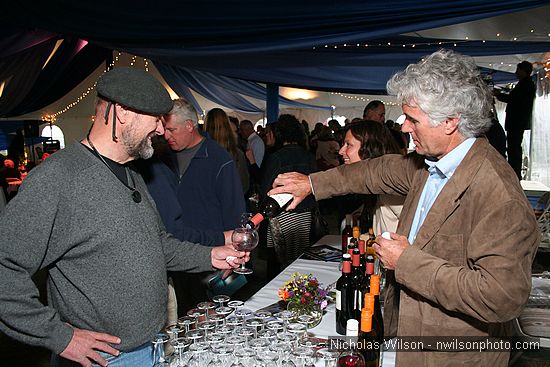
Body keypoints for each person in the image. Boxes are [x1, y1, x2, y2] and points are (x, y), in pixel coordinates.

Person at [269, 50, 539, 367]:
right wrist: (313, 184)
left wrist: (407, 261)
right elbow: (375, 171)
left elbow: (501, 297)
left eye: (414, 119)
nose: (405, 127)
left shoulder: (497, 193)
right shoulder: (430, 164)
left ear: (451, 122)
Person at [0, 67, 248, 367]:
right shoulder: (58, 179)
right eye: (156, 119)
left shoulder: (132, 174)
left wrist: (210, 255)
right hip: (103, 360)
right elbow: (4, 270)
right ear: (122, 114)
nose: (160, 130)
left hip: (152, 348)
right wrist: (58, 336)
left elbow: (157, 245)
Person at [137, 99, 245, 315]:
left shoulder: (218, 159)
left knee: (213, 322)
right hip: (176, 256)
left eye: (171, 129)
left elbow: (236, 216)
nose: (166, 136)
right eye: (164, 130)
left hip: (211, 254)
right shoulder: (161, 159)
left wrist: (235, 254)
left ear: (189, 126)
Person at [260, 115, 317, 276]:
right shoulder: (308, 155)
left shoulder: (276, 157)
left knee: (277, 262)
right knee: (299, 259)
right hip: (305, 214)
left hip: (282, 215)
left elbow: (266, 190)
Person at [339, 120, 403, 234]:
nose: (341, 151)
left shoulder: (392, 184)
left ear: (369, 149)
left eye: (348, 145)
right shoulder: (379, 182)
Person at [494, 61, 536, 179]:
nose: (516, 73)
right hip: (518, 121)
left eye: (518, 70)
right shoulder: (526, 84)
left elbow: (513, 100)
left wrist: (499, 95)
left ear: (523, 71)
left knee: (514, 147)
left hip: (517, 121)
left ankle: (514, 173)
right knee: (514, 146)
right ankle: (514, 171)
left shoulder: (526, 84)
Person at [204, 108, 250, 194]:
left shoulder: (200, 152)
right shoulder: (236, 154)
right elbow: (244, 185)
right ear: (227, 127)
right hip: (230, 203)